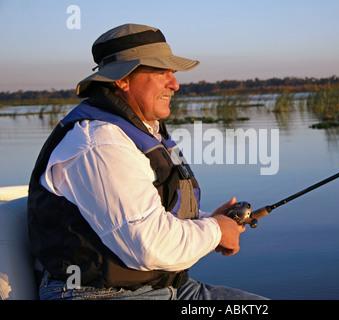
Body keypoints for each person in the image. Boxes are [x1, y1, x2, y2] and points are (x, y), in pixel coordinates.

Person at [27, 23, 267, 300]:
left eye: (173, 73)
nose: (175, 84)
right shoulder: (100, 144)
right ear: (122, 80)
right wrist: (215, 231)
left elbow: (146, 215)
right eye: (161, 72)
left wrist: (210, 221)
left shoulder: (141, 130)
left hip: (164, 286)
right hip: (100, 294)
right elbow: (148, 244)